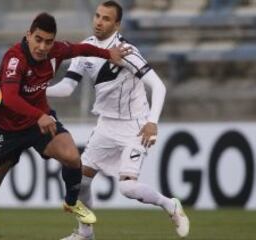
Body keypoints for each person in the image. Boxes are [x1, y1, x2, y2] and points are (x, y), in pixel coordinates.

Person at [0, 12, 130, 240]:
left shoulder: (56, 51)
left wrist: (108, 53)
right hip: (7, 128)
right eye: (38, 39)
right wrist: (37, 116)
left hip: (39, 123)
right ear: (28, 35)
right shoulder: (14, 58)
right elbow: (9, 97)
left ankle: (71, 203)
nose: (43, 47)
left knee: (72, 157)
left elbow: (81, 49)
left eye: (48, 41)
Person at [46, 1, 190, 240]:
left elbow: (158, 86)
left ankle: (170, 205)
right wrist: (38, 91)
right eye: (97, 16)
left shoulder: (126, 51)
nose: (99, 22)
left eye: (106, 19)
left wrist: (152, 122)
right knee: (80, 181)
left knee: (127, 188)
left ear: (117, 24)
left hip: (135, 125)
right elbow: (67, 88)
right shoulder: (85, 48)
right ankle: (85, 234)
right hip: (106, 124)